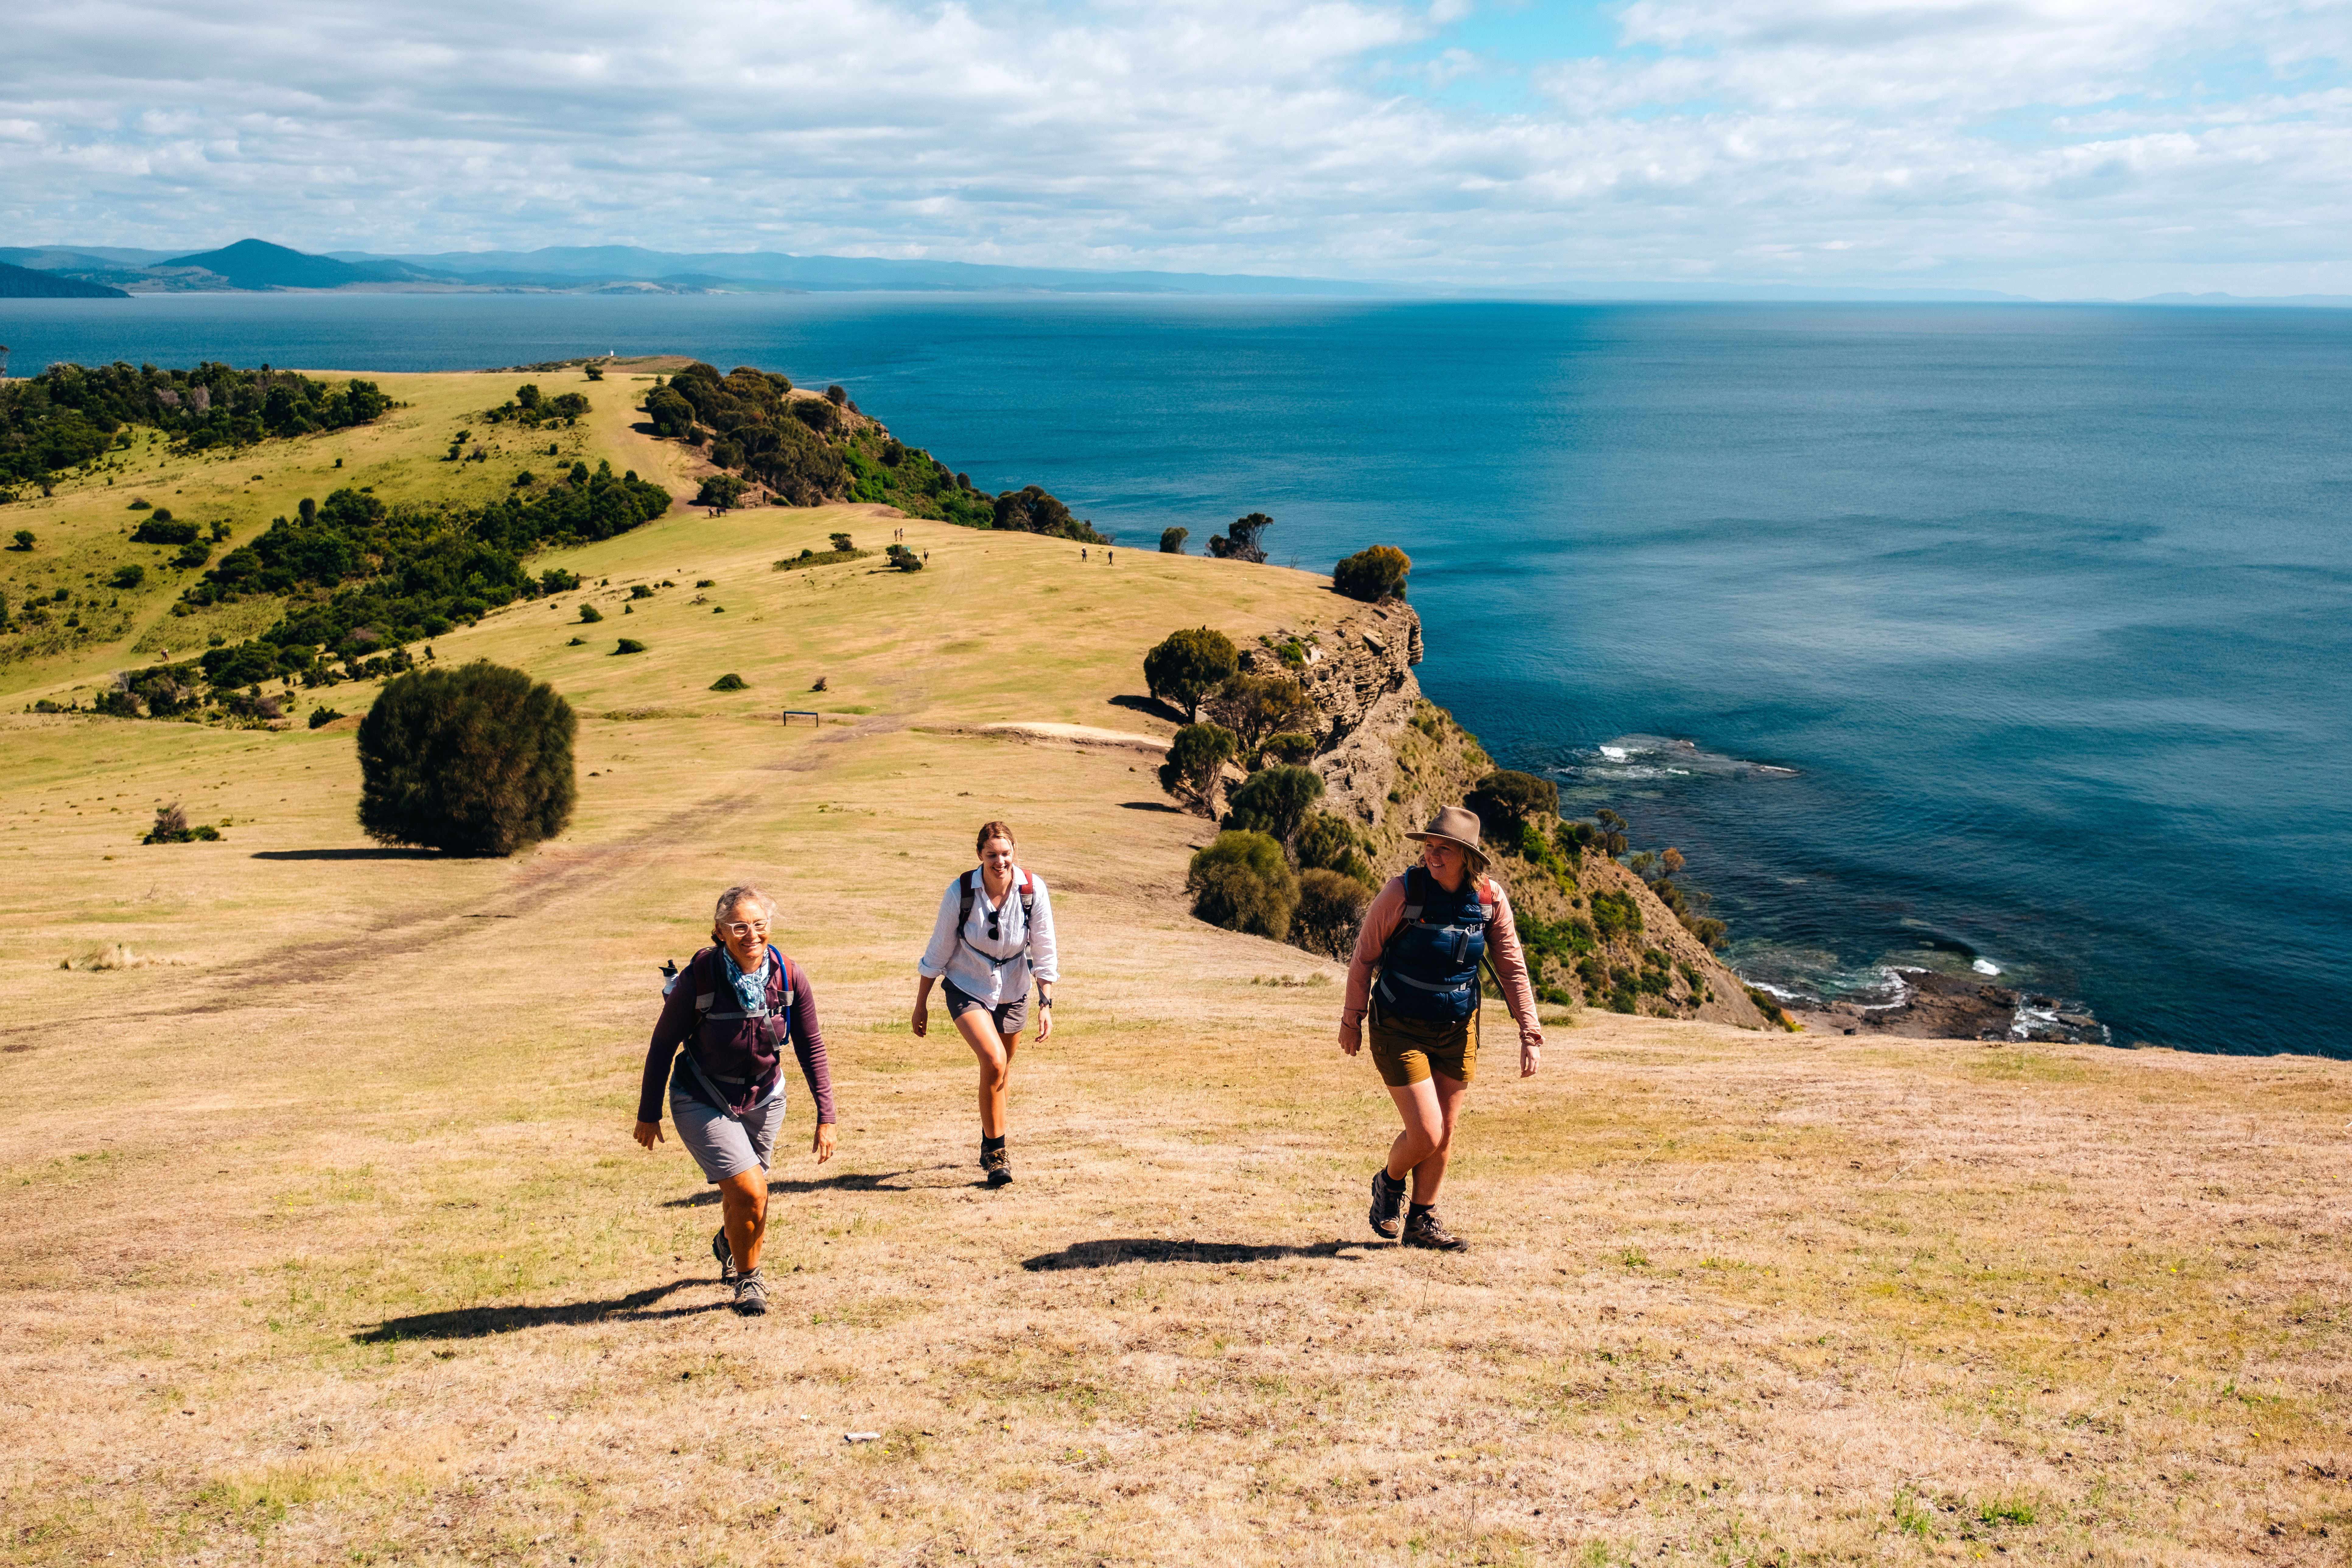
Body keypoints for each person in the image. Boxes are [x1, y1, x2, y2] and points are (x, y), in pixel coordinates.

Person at [1339, 805, 1542, 1251]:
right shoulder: (1402, 893)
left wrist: (1530, 1032)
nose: (1432, 856)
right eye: (1429, 847)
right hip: (1399, 1025)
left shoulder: (1490, 900)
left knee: (1445, 1132)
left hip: (1458, 1027)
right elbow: (1364, 957)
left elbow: (1512, 967)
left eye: (1443, 849)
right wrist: (1351, 1018)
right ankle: (1389, 1184)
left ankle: (1421, 1223)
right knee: (1426, 1133)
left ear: (1467, 857)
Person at [635, 885, 836, 1315]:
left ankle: (730, 1242)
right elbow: (663, 1045)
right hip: (701, 1096)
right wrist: (649, 1113)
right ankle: (749, 1281)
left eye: (759, 925)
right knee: (751, 1191)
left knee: (746, 1196)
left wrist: (827, 1115)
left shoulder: (788, 976)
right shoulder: (700, 980)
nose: (751, 935)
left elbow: (812, 1045)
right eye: (739, 926)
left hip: (765, 1097)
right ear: (720, 932)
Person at [912, 820, 1059, 1186]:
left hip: (1014, 989)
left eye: (1006, 854)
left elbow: (1044, 948)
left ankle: (988, 1139)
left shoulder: (1032, 889)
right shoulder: (960, 892)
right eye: (992, 854)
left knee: (1002, 1071)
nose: (1000, 861)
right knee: (994, 1061)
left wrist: (1046, 1002)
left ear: (1015, 854)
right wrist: (921, 1003)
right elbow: (938, 951)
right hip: (967, 985)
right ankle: (997, 1157)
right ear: (980, 854)